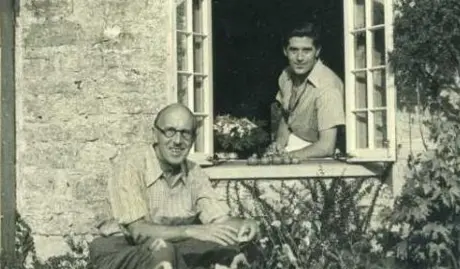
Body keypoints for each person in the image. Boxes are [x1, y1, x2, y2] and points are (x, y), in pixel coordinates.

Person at [89, 103, 258, 269]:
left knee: (231, 252)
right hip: (120, 252)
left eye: (185, 133)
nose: (177, 141)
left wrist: (245, 225)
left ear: (193, 138)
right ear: (155, 135)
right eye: (170, 132)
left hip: (174, 250)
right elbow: (138, 231)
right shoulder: (131, 165)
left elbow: (220, 220)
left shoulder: (194, 172)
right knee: (164, 250)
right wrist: (192, 231)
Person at [270, 22, 345, 159]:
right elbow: (286, 118)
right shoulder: (285, 76)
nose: (299, 58)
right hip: (295, 146)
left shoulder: (327, 87)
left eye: (306, 50)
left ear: (317, 51)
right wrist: (279, 145)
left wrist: (286, 156)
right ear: (285, 51)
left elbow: (326, 146)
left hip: (321, 154)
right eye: (294, 50)